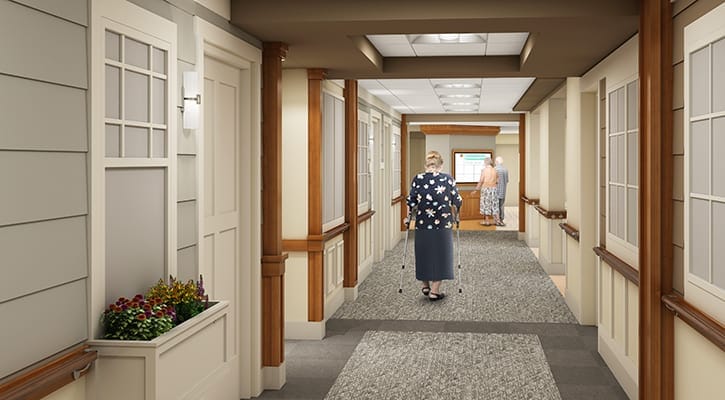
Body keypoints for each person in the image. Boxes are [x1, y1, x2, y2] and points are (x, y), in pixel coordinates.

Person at [406, 151, 463, 301]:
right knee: (441, 256)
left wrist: (408, 217)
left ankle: (425, 285)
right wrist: (457, 214)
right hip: (442, 224)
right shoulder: (448, 179)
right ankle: (435, 291)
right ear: (441, 165)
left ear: (426, 166)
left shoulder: (417, 179)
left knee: (424, 253)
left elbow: (411, 202)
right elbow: (457, 200)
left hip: (423, 224)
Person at [473, 157, 500, 226]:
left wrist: (476, 190)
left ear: (485, 163)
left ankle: (487, 221)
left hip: (486, 189)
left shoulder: (484, 170)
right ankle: (497, 221)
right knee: (495, 204)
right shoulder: (495, 170)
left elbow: (481, 181)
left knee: (486, 205)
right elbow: (497, 181)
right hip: (494, 189)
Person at [494, 156, 509, 226]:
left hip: (495, 191)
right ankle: (501, 220)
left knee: (495, 206)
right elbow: (506, 181)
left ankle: (497, 221)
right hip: (503, 191)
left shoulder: (494, 169)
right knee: (501, 206)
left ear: (496, 162)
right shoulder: (505, 170)